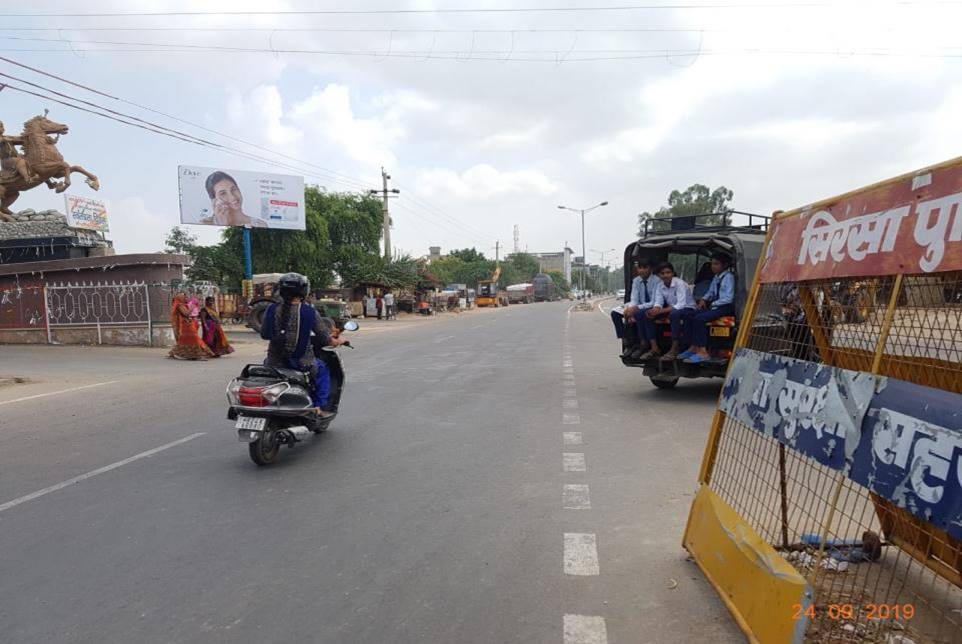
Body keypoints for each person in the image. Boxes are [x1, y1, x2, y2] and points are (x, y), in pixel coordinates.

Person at [259, 273, 347, 417]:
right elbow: (326, 340)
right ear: (303, 291)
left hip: (273, 363)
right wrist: (339, 341)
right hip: (302, 364)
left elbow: (264, 334)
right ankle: (319, 407)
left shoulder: (271, 309)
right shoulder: (309, 312)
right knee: (323, 370)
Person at [680, 252, 737, 364]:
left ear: (724, 265)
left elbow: (729, 298)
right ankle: (693, 347)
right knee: (688, 316)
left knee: (700, 319)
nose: (713, 266)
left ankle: (703, 352)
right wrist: (704, 299)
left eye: (716, 264)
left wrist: (713, 303)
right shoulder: (716, 277)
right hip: (715, 306)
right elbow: (710, 292)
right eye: (712, 264)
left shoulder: (729, 277)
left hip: (725, 307)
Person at [638, 262, 695, 361]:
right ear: (659, 275)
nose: (665, 275)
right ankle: (654, 347)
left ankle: (675, 348)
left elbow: (680, 304)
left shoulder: (679, 283)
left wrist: (660, 311)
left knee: (674, 314)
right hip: (672, 308)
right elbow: (658, 302)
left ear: (672, 273)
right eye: (662, 273)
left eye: (668, 272)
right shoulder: (660, 285)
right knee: (646, 314)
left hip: (687, 308)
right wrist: (655, 310)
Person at [610, 258, 660, 359]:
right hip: (638, 305)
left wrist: (636, 308)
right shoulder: (636, 281)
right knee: (614, 313)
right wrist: (631, 308)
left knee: (639, 314)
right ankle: (626, 341)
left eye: (645, 268)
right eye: (640, 268)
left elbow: (654, 302)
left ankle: (644, 344)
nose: (641, 270)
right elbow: (634, 298)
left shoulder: (657, 280)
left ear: (650, 269)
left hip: (651, 306)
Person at [201, 171, 268, 228]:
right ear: (214, 200)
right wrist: (223, 225)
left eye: (233, 189)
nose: (232, 197)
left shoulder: (260, 224)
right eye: (223, 193)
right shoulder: (206, 223)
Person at [168, 293, 215, 360]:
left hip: (187, 324)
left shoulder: (182, 305)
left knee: (185, 340)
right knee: (194, 339)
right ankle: (198, 355)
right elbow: (186, 314)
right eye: (184, 297)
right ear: (180, 298)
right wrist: (192, 306)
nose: (186, 298)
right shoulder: (179, 305)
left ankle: (175, 353)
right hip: (185, 326)